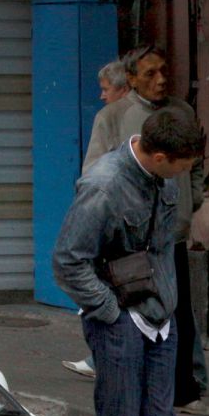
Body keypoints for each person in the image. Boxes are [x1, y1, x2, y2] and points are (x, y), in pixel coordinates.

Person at [51, 107, 206, 416]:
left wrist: (169, 302)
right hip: (120, 319)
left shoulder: (164, 175)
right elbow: (68, 261)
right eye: (182, 166)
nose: (186, 174)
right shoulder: (103, 187)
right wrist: (110, 312)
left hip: (162, 317)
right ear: (161, 157)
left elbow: (164, 248)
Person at [74, 46, 209, 416]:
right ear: (132, 78)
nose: (160, 80)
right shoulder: (114, 116)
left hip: (174, 235)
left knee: (178, 312)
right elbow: (93, 171)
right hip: (130, 242)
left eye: (163, 72)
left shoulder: (180, 112)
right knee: (135, 313)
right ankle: (137, 392)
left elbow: (195, 161)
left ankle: (183, 392)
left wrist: (192, 199)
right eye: (150, 74)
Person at [61, 60, 134, 382]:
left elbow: (92, 169)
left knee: (101, 283)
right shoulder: (159, 117)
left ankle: (100, 357)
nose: (103, 96)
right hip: (149, 224)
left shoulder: (110, 117)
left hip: (112, 219)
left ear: (124, 87)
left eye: (106, 89)